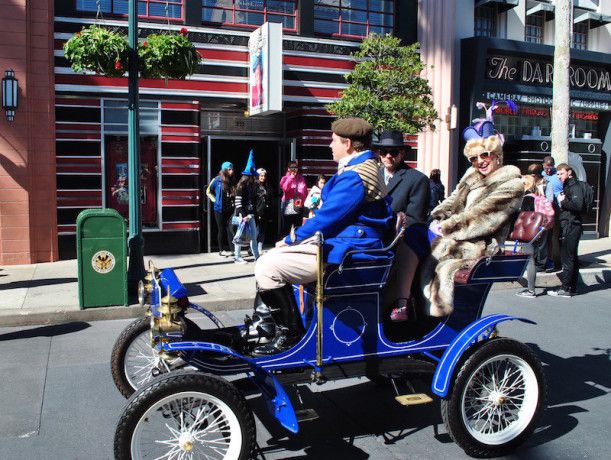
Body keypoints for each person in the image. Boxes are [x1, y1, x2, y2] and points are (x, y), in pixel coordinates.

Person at [253, 118, 392, 354]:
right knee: (271, 259)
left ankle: (288, 335)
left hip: (351, 249)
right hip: (350, 242)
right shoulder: (365, 166)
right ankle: (267, 325)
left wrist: (289, 239)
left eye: (333, 140)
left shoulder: (355, 175)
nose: (330, 145)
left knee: (267, 265)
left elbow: (328, 217)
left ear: (347, 143)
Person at [423, 103, 524, 316]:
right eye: (474, 158)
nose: (480, 162)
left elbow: (484, 218)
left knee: (442, 264)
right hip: (460, 237)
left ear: (497, 155)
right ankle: (415, 312)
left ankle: (439, 314)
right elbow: (452, 201)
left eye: (485, 155)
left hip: (483, 244)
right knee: (416, 251)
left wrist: (448, 227)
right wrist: (432, 216)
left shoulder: (511, 183)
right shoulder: (472, 176)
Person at [373, 130, 430, 322]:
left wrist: (393, 226)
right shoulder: (372, 176)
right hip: (372, 237)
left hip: (399, 239)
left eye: (394, 152)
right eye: (384, 151)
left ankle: (400, 303)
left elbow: (415, 218)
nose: (388, 156)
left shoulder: (417, 179)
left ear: (402, 153)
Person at [547, 163, 585, 297]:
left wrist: (562, 201)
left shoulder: (575, 186)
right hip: (570, 224)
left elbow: (577, 205)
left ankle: (566, 288)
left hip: (572, 225)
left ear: (569, 172)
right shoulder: (568, 186)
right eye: (557, 174)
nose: (559, 176)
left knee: (567, 257)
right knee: (571, 256)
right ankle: (571, 287)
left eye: (561, 173)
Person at [515, 175, 547, 299]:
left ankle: (531, 290)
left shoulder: (527, 198)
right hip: (537, 231)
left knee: (529, 259)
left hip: (528, 232)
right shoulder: (537, 195)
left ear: (526, 184)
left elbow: (525, 217)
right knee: (528, 258)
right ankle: (529, 286)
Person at [233, 151, 260, 264]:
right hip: (243, 214)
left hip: (251, 214)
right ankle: (237, 256)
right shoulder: (241, 186)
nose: (255, 178)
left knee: (253, 236)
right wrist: (244, 216)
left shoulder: (253, 186)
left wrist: (254, 214)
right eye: (254, 176)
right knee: (240, 235)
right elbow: (238, 203)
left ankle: (257, 256)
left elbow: (253, 201)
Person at [206, 162, 235, 257]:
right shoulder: (217, 180)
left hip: (230, 209)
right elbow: (208, 191)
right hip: (219, 209)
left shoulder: (232, 180)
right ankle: (221, 250)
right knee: (221, 229)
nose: (231, 171)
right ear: (224, 170)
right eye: (229, 169)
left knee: (230, 229)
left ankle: (233, 250)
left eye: (232, 169)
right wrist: (215, 200)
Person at [542, 156, 563, 272]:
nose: (548, 170)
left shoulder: (557, 176)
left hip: (555, 210)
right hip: (541, 210)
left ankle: (551, 260)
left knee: (552, 237)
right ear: (543, 165)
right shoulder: (540, 175)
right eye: (546, 167)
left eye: (551, 167)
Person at [280, 161, 308, 234]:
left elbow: (305, 192)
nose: (294, 169)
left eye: (296, 167)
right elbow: (285, 189)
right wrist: (291, 178)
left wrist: (303, 202)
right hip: (288, 202)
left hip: (298, 202)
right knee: (288, 226)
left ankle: (295, 243)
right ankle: (286, 242)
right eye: (292, 168)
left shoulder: (301, 178)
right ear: (288, 169)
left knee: (297, 225)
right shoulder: (284, 178)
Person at [255, 167, 274, 255]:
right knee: (256, 231)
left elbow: (270, 200)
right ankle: (252, 248)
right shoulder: (254, 186)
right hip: (257, 212)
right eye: (261, 176)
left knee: (262, 231)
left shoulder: (267, 186)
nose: (263, 177)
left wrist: (270, 214)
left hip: (265, 212)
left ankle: (259, 248)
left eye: (264, 176)